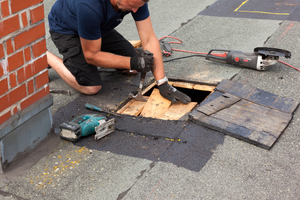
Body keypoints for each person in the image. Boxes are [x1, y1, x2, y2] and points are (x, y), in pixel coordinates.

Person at [47, 0, 191, 104]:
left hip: (97, 28)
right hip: (67, 30)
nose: (135, 10)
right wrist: (132, 62)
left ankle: (96, 46)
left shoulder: (137, 2)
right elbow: (91, 56)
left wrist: (162, 82)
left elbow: (148, 38)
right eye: (132, 6)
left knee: (132, 69)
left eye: (138, 7)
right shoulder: (89, 6)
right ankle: (45, 56)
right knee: (91, 87)